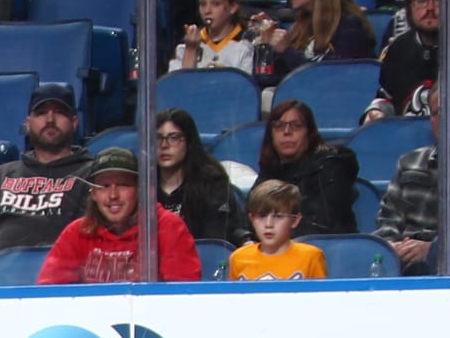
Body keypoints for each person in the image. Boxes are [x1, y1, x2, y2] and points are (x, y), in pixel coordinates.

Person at [0, 83, 93, 270]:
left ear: (74, 122)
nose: (50, 119)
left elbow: (87, 241)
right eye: (41, 113)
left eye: (59, 112)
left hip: (62, 279)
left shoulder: (90, 175)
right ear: (28, 123)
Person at [372, 79, 450, 275]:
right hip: (406, 268)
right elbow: (387, 221)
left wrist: (433, 249)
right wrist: (392, 247)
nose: (444, 120)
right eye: (437, 113)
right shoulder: (409, 163)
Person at [37, 148, 201, 285]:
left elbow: (183, 296)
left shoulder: (167, 226)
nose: (113, 195)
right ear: (93, 193)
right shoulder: (77, 232)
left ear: (139, 190)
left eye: (123, 185)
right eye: (104, 186)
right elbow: (49, 295)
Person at [253, 100, 358, 236]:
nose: (287, 132)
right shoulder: (270, 171)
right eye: (279, 126)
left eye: (296, 126)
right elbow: (250, 218)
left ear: (309, 133)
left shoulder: (330, 168)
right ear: (270, 135)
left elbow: (324, 225)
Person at [153, 108, 249, 246]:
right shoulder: (142, 184)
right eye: (158, 138)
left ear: (189, 142)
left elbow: (214, 241)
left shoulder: (213, 183)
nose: (164, 145)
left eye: (173, 138)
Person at [255, 0, 376, 78]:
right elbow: (269, 78)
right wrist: (267, 44)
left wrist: (287, 51)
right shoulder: (301, 25)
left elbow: (332, 80)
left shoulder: (350, 27)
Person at [230, 179, 327, 279]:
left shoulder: (311, 257)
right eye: (262, 216)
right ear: (252, 219)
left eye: (278, 216)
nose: (268, 224)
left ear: (294, 221)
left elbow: (321, 294)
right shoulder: (238, 258)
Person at [171, 0, 255, 73]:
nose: (207, 11)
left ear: (232, 7)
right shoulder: (186, 46)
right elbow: (180, 85)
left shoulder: (247, 45)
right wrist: (191, 51)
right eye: (203, 4)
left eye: (216, 3)